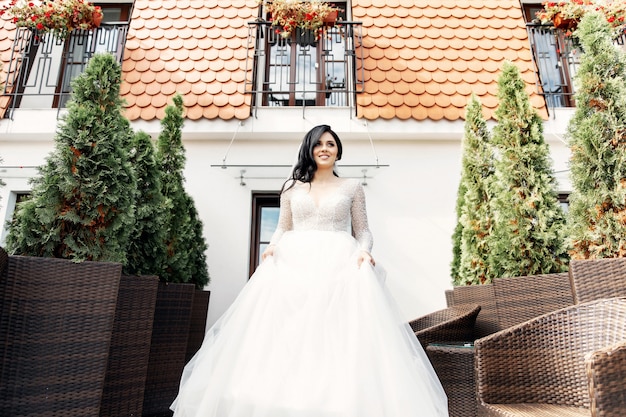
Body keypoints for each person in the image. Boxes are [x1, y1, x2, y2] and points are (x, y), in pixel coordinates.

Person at [170, 125, 449, 417]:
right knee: (286, 334)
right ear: (310, 149)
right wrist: (271, 247)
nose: (325, 148)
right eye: (318, 144)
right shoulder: (292, 188)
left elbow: (364, 231)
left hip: (338, 264)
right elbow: (281, 227)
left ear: (338, 150)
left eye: (330, 143)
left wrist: (364, 251)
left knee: (335, 334)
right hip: (294, 264)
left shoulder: (352, 186)